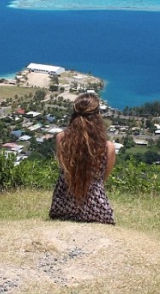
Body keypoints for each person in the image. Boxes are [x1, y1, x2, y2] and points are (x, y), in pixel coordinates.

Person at [49, 92, 116, 225]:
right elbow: (102, 179)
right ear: (97, 116)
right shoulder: (108, 147)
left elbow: (63, 167)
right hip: (97, 209)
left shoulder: (61, 138)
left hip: (62, 206)